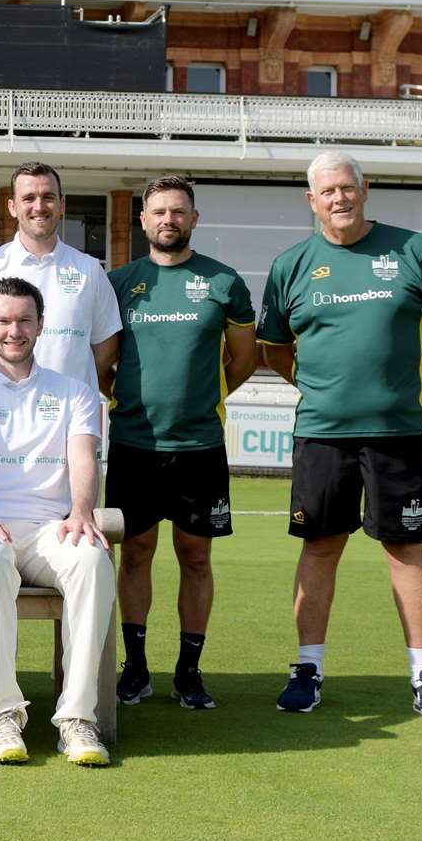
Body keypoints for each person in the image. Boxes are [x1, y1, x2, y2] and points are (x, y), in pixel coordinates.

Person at [258, 151, 422, 722]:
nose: (339, 199)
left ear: (364, 189)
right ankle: (308, 668)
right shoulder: (291, 265)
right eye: (327, 192)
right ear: (311, 201)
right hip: (322, 432)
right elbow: (275, 350)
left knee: (405, 547)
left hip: (398, 429)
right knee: (320, 546)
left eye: (347, 188)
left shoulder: (414, 250)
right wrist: (326, 387)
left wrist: (400, 378)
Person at [104, 176, 256, 710]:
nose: (168, 219)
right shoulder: (119, 282)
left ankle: (189, 672)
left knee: (195, 556)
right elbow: (104, 367)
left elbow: (243, 359)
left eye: (178, 211)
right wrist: (130, 400)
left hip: (199, 448)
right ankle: (136, 667)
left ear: (194, 218)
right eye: (159, 212)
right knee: (136, 553)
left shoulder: (224, 282)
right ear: (142, 221)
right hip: (133, 445)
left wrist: (203, 399)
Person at [0, 277, 116, 767]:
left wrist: (83, 510)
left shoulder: (74, 392)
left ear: (41, 325)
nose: (14, 330)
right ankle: (1, 713)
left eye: (24, 320)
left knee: (92, 560)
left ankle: (77, 718)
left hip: (53, 527)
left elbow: (84, 458)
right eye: (3, 321)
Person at [0, 161, 120, 392]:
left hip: (69, 417)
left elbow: (107, 348)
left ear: (61, 205)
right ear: (12, 207)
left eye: (48, 197)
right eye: (28, 198)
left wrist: (72, 381)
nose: (39, 206)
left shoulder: (89, 270)